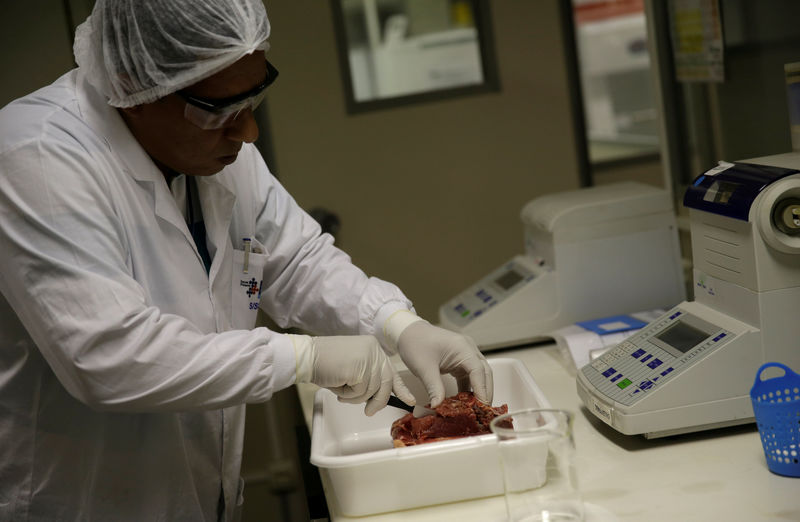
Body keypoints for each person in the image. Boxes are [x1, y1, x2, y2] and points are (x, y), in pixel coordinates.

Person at [0, 1, 493, 520]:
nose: (249, 132)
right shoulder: (35, 156)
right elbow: (107, 355)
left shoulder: (217, 151)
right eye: (219, 111)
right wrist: (301, 359)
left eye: (253, 99)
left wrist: (395, 323)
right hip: (77, 504)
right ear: (133, 85)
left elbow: (296, 259)